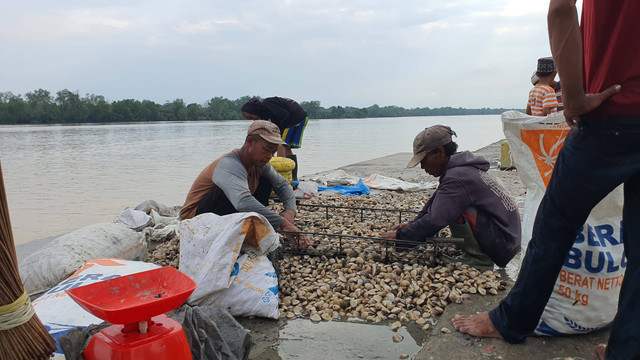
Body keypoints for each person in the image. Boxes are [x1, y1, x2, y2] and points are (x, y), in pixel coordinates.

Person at [452, 0, 636, 358]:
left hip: (613, 114)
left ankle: (511, 321)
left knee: (554, 225)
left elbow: (562, 7)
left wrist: (575, 98)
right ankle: (627, 349)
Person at [381, 125, 521, 268]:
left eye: (424, 161)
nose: (422, 167)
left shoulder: (457, 178)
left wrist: (401, 237)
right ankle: (477, 251)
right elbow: (434, 202)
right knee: (447, 204)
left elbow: (435, 219)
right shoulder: (460, 168)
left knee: (451, 209)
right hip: (508, 238)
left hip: (502, 244)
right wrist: (411, 226)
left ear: (440, 152)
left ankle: (479, 258)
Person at [180, 120, 312, 247]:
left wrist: (290, 210)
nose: (270, 156)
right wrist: (282, 223)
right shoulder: (229, 164)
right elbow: (242, 201)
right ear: (250, 142)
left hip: (226, 211)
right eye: (266, 150)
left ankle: (249, 229)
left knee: (267, 181)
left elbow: (283, 184)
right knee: (229, 193)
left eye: (273, 151)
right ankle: (221, 236)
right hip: (195, 219)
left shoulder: (260, 163)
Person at [241, 97, 309, 181]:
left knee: (281, 144)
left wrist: (278, 134)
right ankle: (292, 177)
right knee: (286, 147)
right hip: (296, 118)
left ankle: (280, 177)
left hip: (296, 117)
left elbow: (284, 116)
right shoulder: (263, 114)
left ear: (253, 111)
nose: (253, 120)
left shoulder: (267, 105)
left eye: (252, 117)